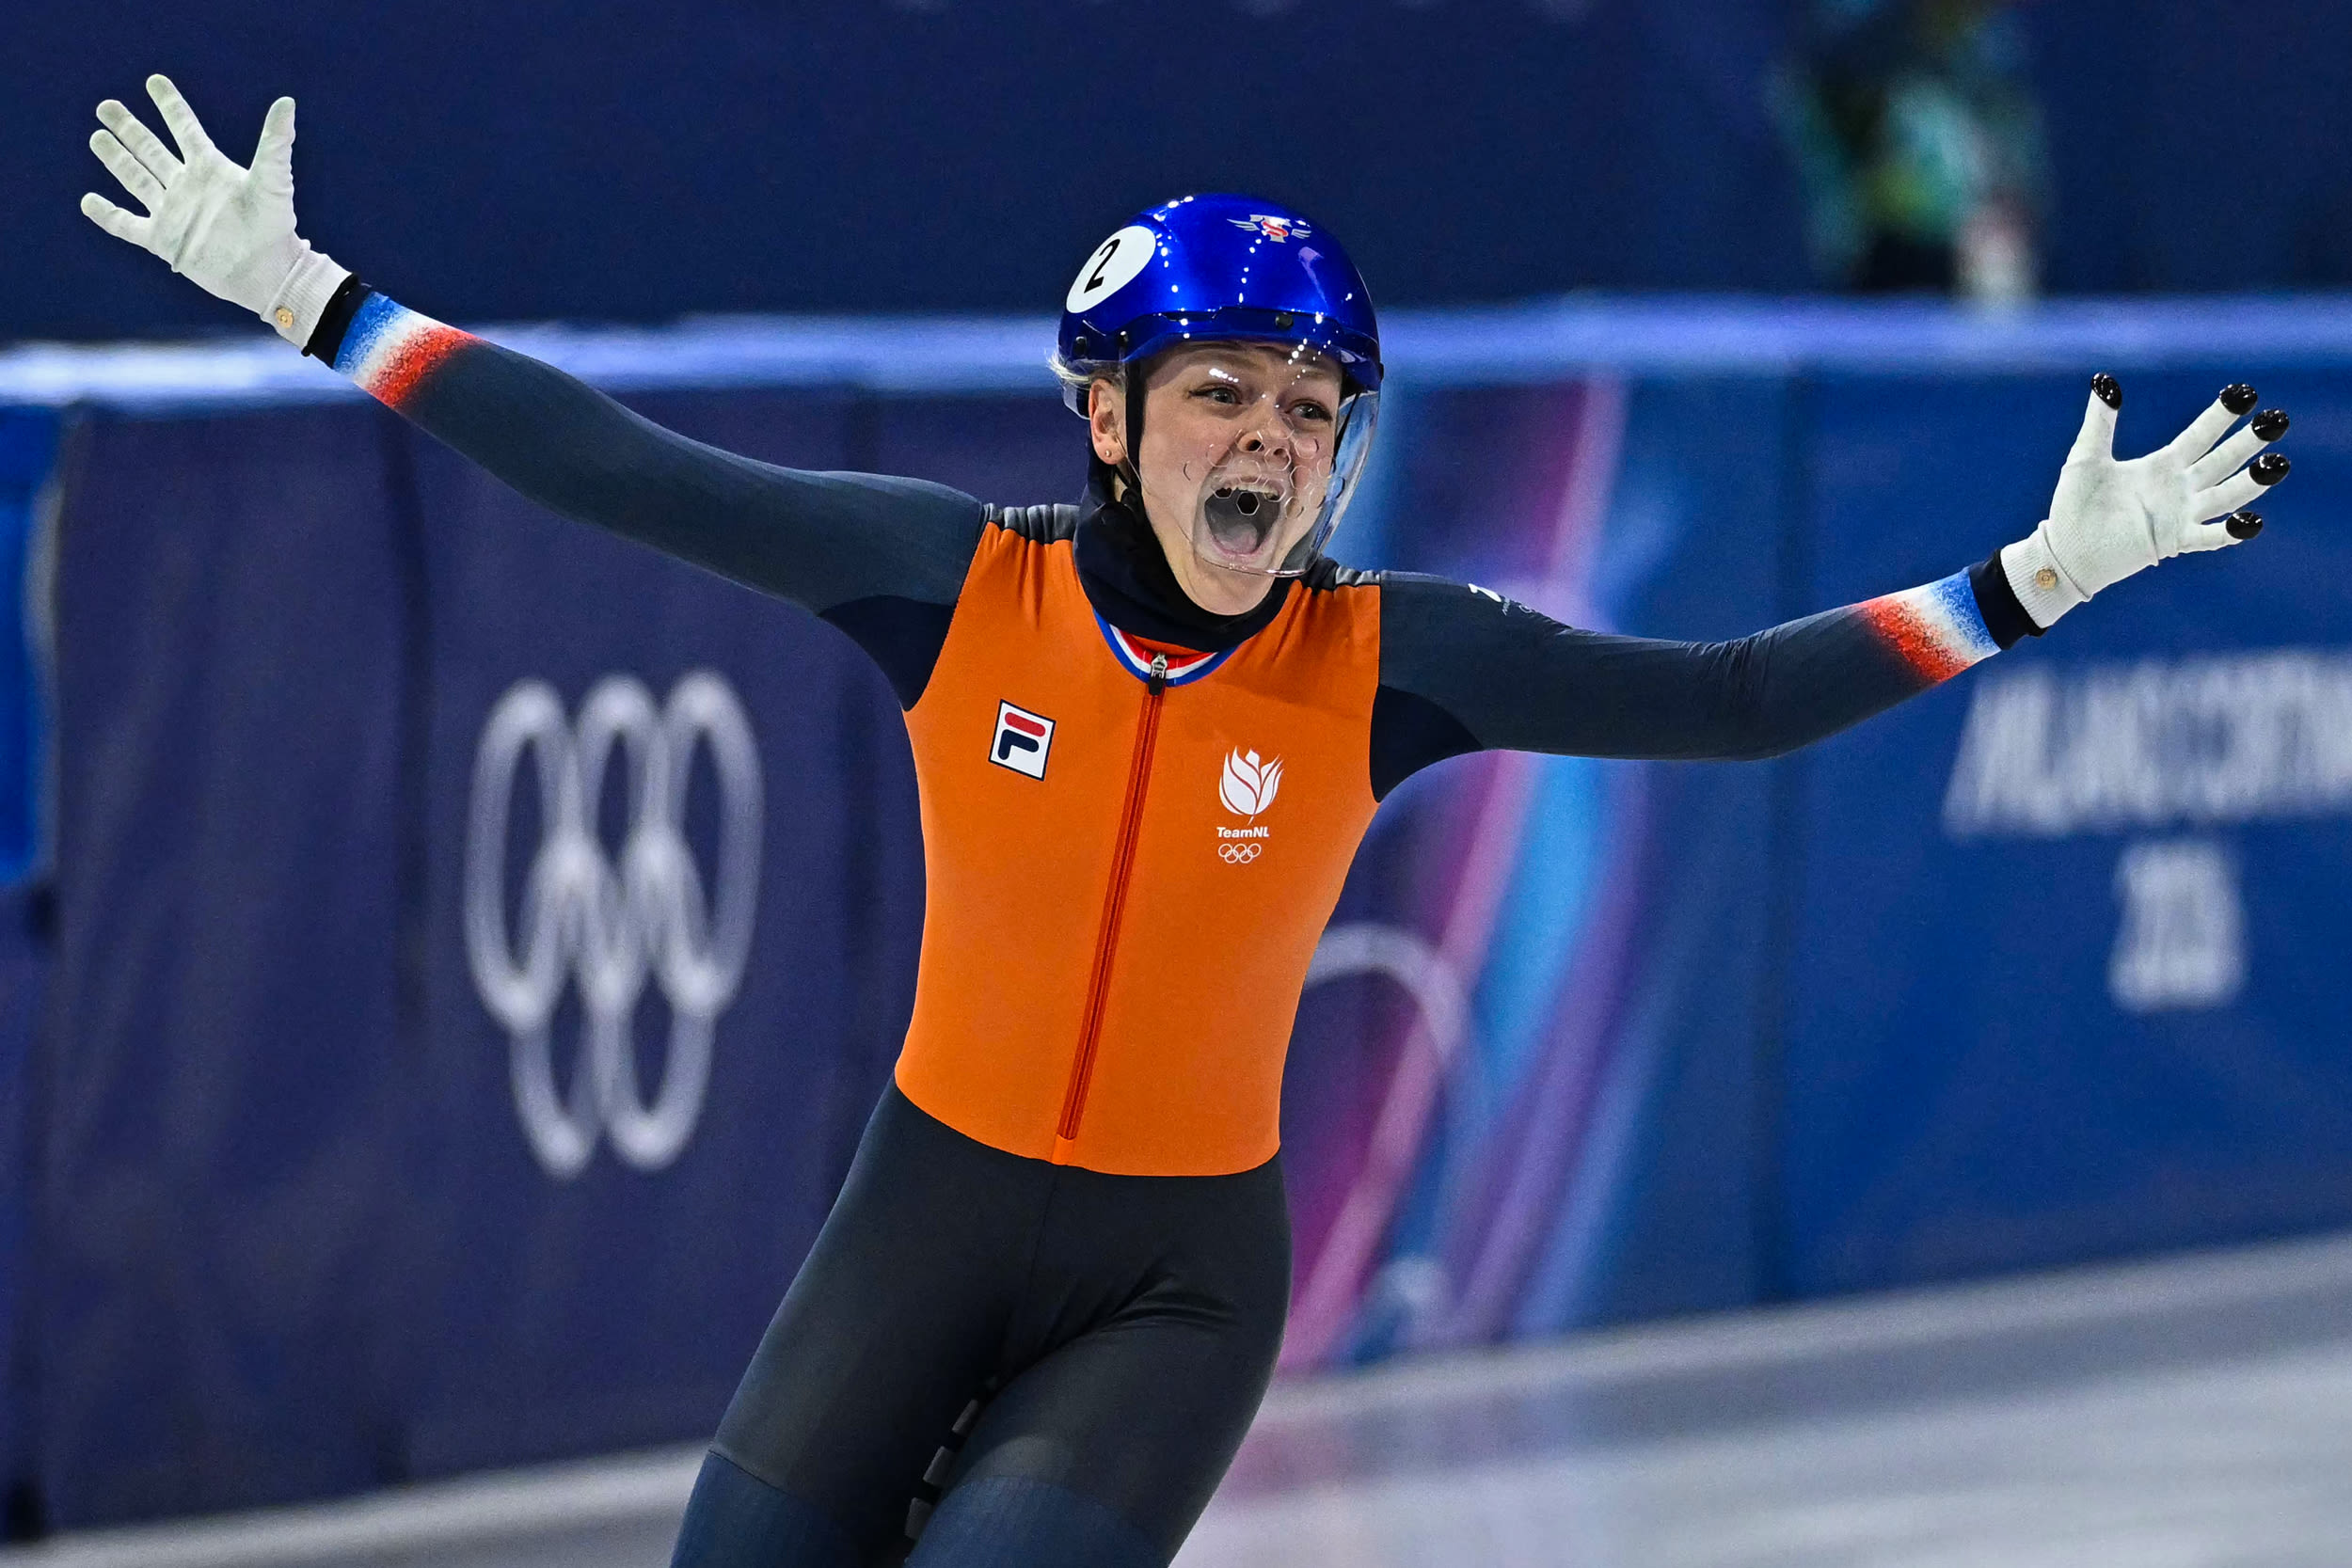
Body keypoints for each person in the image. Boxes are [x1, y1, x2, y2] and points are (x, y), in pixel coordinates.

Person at [81, 76, 2290, 1568]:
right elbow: (624, 470)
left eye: (1310, 409)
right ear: (1109, 415)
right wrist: (313, 301)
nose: (1270, 440)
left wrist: (2025, 581)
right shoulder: (958, 592)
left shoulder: (1389, 659)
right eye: (1221, 392)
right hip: (917, 1226)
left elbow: (1722, 704)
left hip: (1170, 1285)